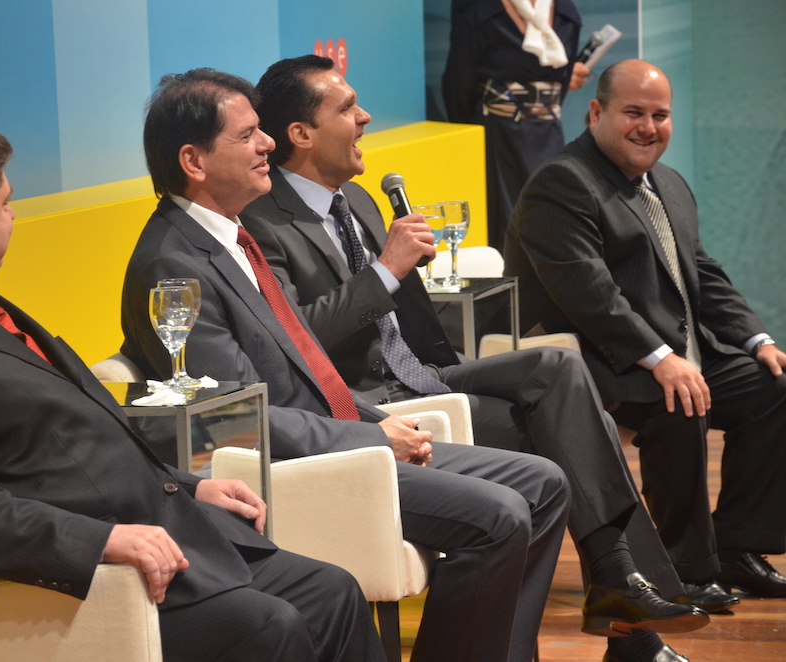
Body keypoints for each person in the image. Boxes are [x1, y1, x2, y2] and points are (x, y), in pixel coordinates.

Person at [0, 112, 388, 662]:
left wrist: (187, 488)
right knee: (273, 626)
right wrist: (104, 543)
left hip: (160, 535)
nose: (12, 219)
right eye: (6, 206)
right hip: (58, 588)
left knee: (332, 592)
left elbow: (68, 446)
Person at [239, 54, 709, 662]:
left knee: (556, 370)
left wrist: (447, 361)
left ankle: (619, 585)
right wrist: (387, 268)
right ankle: (626, 613)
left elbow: (407, 324)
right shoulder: (261, 219)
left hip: (420, 378)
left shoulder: (354, 199)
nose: (366, 116)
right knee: (562, 436)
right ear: (301, 134)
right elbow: (298, 340)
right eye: (347, 108)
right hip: (368, 401)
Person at [120, 66, 571, 662]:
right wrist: (365, 433)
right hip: (298, 469)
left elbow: (305, 363)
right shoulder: (173, 264)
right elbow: (236, 416)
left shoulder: (232, 237)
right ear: (194, 161)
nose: (267, 145)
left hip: (340, 436)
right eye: (248, 135)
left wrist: (371, 419)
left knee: (543, 483)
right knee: (503, 514)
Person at [505, 59, 786, 610]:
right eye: (633, 112)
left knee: (771, 387)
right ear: (595, 112)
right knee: (677, 400)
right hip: (592, 359)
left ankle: (737, 547)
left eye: (660, 115)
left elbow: (702, 271)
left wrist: (758, 341)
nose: (648, 127)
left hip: (668, 348)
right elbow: (591, 297)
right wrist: (661, 358)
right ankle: (688, 567)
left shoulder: (668, 182)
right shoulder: (561, 184)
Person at [442, 0, 589, 251]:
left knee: (553, 222)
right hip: (496, 140)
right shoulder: (479, 13)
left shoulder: (566, 13)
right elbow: (457, 88)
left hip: (548, 138)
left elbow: (561, 85)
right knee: (506, 234)